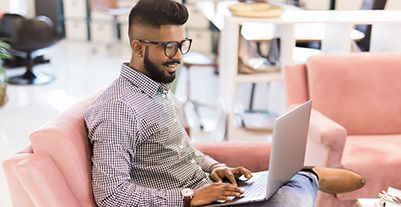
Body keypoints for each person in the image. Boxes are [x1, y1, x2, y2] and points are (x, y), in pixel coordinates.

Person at [84, 0, 364, 206]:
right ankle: (308, 178)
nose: (179, 56)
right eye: (169, 47)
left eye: (182, 45)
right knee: (290, 195)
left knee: (282, 186)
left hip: (209, 192)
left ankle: (301, 178)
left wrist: (215, 168)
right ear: (137, 47)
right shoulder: (118, 110)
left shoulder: (158, 89)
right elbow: (111, 194)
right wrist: (189, 197)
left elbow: (181, 153)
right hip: (191, 201)